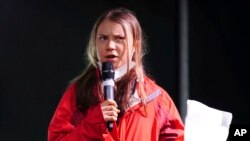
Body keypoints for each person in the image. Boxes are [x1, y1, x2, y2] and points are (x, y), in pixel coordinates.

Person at [48, 7, 184, 141]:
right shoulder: (78, 93)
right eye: (103, 38)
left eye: (119, 38)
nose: (110, 45)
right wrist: (94, 123)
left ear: (135, 45)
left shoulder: (156, 99)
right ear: (95, 43)